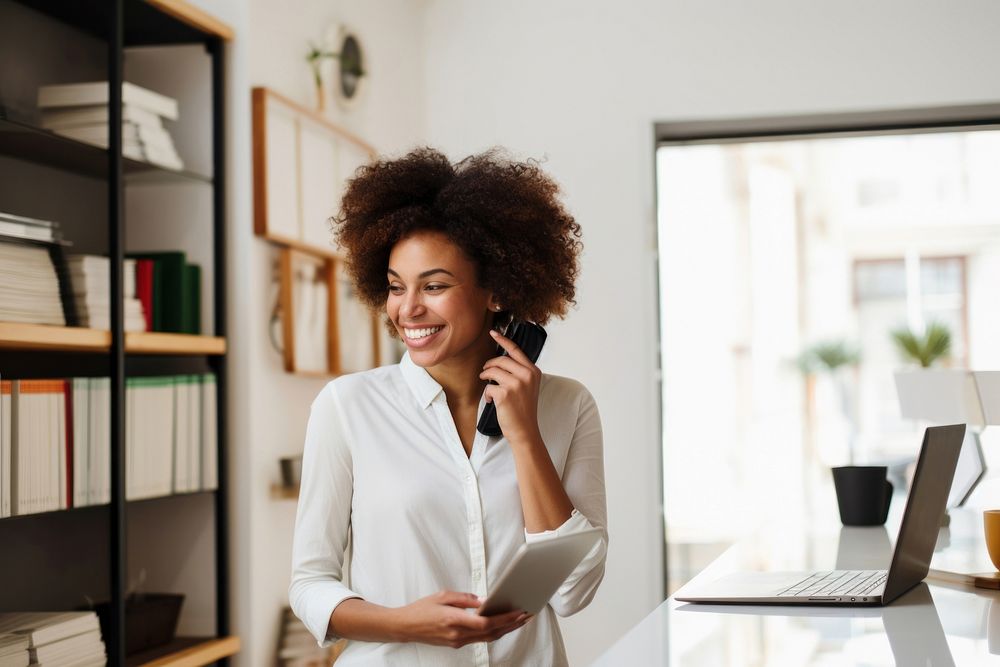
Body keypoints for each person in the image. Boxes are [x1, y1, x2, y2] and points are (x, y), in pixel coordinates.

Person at [288, 147, 608, 666]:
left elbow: (574, 591)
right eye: (396, 287)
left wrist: (524, 433)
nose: (408, 309)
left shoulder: (567, 405)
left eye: (434, 286)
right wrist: (404, 623)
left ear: (496, 291)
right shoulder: (348, 406)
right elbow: (309, 584)